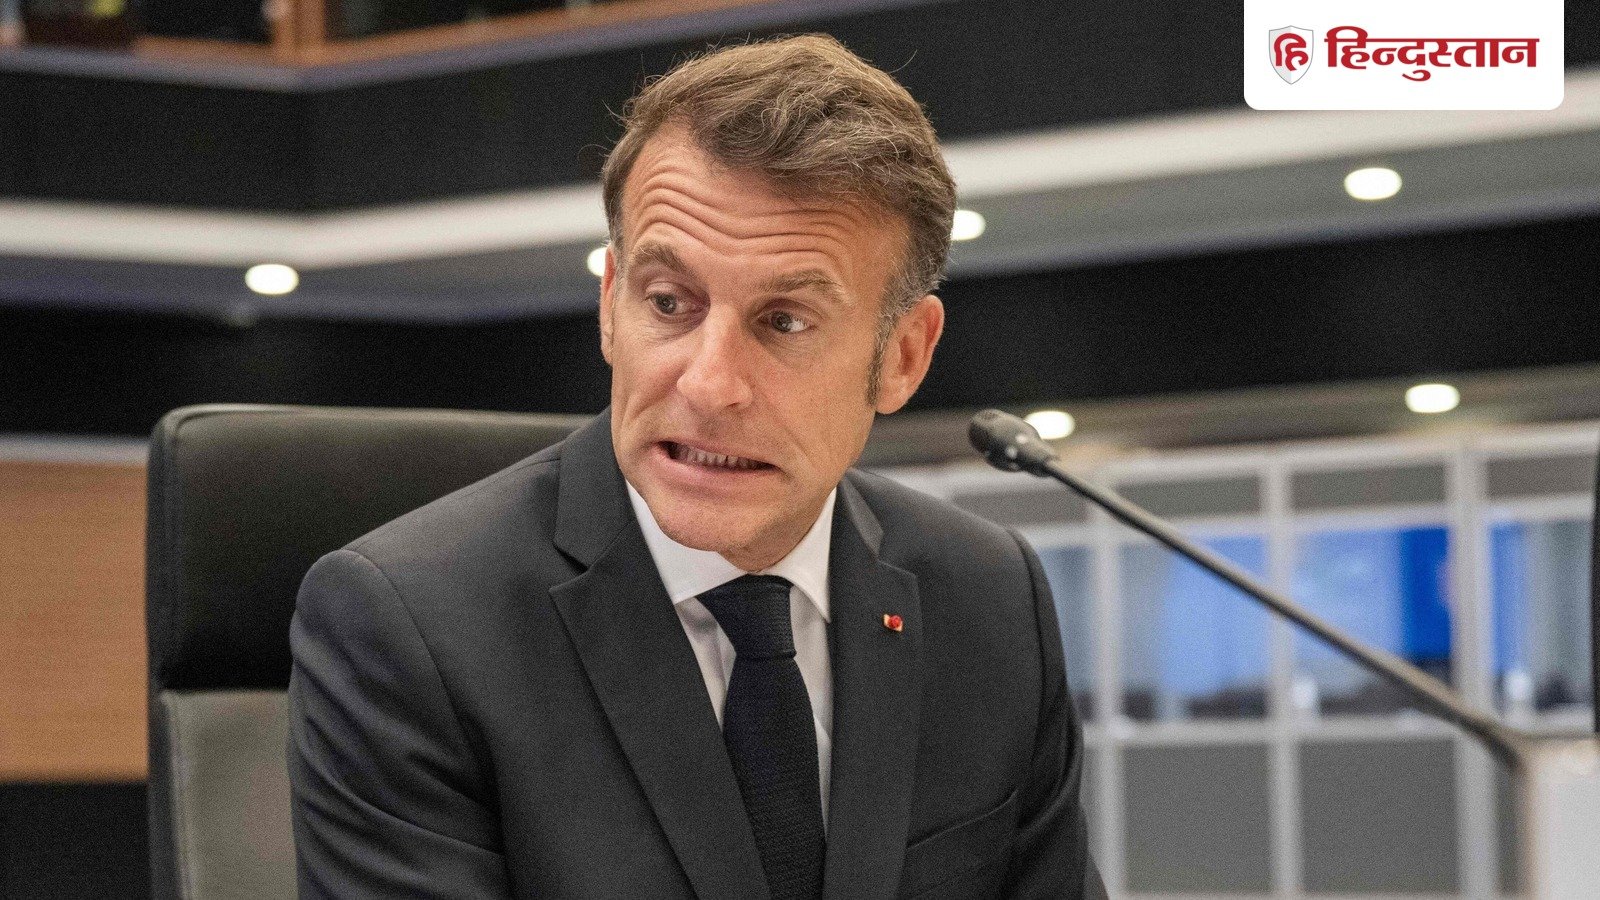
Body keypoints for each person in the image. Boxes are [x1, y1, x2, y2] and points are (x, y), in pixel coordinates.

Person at [288, 33, 1105, 900]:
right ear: (610, 306)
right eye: (670, 302)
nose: (710, 385)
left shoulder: (988, 598)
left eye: (784, 321)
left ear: (903, 355)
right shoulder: (408, 627)